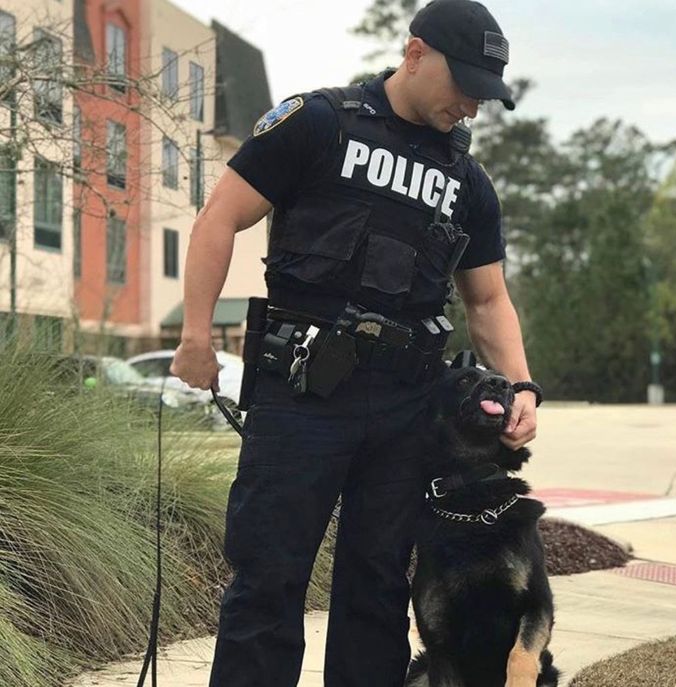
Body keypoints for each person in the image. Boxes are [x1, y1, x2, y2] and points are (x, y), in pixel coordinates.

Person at [170, 1, 541, 685]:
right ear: (415, 52)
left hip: (405, 405)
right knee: (268, 578)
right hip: (302, 390)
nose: (471, 107)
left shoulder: (467, 182)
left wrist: (519, 383)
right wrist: (196, 333)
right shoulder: (316, 122)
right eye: (463, 85)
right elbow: (219, 218)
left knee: (376, 589)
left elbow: (486, 297)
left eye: (485, 95)